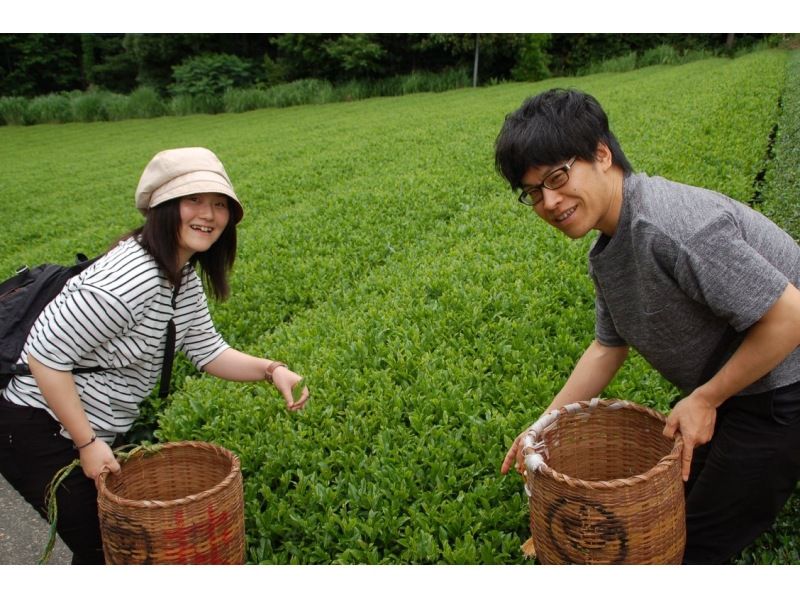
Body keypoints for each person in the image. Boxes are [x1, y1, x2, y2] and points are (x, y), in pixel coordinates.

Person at [494, 88, 800, 564]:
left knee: (679, 547)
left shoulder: (670, 225)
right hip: (740, 392)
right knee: (657, 509)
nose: (550, 202)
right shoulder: (609, 248)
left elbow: (792, 317)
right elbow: (606, 347)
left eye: (556, 177)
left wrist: (705, 398)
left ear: (602, 154)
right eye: (533, 193)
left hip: (784, 389)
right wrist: (543, 425)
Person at [0, 147, 310, 564]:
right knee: (107, 550)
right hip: (40, 429)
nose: (209, 214)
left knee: (111, 548)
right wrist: (87, 442)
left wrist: (273, 371)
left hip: (83, 428)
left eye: (220, 204)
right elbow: (44, 357)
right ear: (163, 207)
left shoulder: (178, 275)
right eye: (194, 199)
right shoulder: (128, 282)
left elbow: (207, 349)